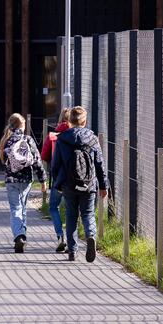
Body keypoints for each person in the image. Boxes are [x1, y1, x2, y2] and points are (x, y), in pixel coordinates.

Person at [51, 106, 108, 262]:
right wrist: (103, 186)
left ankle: (73, 251)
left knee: (71, 215)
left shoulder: (62, 139)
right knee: (88, 214)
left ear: (69, 121)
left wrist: (57, 184)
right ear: (85, 120)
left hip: (69, 184)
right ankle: (90, 236)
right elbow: (99, 164)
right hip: (89, 183)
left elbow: (55, 164)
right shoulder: (92, 138)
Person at [0, 113, 46, 253]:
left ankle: (19, 235)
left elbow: (4, 160)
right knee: (23, 208)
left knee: (15, 208)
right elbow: (37, 161)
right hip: (26, 179)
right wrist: (43, 179)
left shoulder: (6, 140)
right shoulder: (28, 139)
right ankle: (22, 235)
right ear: (23, 126)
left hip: (11, 179)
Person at [41, 108, 71, 253]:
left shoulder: (53, 136)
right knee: (73, 209)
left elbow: (45, 155)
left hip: (58, 179)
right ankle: (73, 241)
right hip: (75, 179)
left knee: (54, 207)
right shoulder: (78, 134)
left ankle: (60, 236)